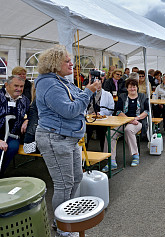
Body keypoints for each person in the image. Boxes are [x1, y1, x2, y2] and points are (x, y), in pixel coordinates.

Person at [34, 45, 99, 237]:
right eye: (67, 61)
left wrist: (88, 90)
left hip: (67, 138)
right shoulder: (49, 84)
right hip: (55, 137)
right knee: (64, 183)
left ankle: (66, 216)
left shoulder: (61, 81)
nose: (72, 63)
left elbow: (77, 100)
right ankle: (62, 225)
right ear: (55, 64)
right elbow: (70, 110)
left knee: (76, 178)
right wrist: (88, 92)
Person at [103, 78, 149, 170]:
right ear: (127, 88)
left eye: (134, 87)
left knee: (128, 130)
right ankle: (111, 161)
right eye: (130, 87)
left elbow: (147, 111)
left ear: (137, 87)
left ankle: (135, 155)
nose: (132, 89)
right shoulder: (122, 96)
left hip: (138, 122)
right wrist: (128, 120)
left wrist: (137, 118)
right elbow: (118, 111)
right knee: (110, 133)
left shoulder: (142, 96)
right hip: (123, 121)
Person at [0, 75, 30, 177]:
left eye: (21, 86)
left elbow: (30, 113)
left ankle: (1, 173)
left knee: (12, 147)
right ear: (6, 85)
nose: (19, 89)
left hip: (13, 135)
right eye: (16, 85)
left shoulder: (24, 100)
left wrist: (27, 120)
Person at [86, 76, 115, 151]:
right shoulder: (87, 94)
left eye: (99, 84)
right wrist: (88, 114)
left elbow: (111, 109)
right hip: (89, 118)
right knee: (86, 131)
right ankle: (84, 151)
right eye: (96, 84)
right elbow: (83, 107)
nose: (98, 86)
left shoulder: (108, 94)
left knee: (102, 131)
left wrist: (100, 113)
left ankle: (104, 151)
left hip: (103, 119)